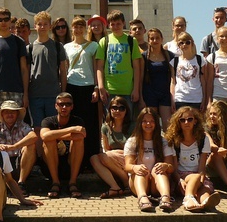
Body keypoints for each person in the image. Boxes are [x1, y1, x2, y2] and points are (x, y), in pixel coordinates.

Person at [165, 106, 220, 212]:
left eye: (190, 119)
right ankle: (188, 198)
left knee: (204, 188)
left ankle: (206, 202)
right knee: (194, 177)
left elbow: (202, 168)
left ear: (195, 121)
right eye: (183, 120)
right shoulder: (173, 141)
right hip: (181, 176)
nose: (186, 122)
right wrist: (179, 181)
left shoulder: (203, 140)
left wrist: (201, 180)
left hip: (197, 174)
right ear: (178, 123)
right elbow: (175, 169)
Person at [64, 16, 101, 168]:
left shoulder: (93, 46)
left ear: (85, 29)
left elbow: (96, 67)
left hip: (88, 86)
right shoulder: (66, 47)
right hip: (72, 85)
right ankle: (74, 160)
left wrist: (96, 88)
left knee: (90, 124)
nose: (78, 29)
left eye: (81, 26)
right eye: (75, 26)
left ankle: (90, 159)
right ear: (72, 29)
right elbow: (65, 68)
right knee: (74, 123)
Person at [124, 107, 175, 212]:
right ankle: (143, 199)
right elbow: (127, 166)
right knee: (141, 172)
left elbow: (171, 168)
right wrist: (135, 167)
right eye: (145, 121)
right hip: (139, 181)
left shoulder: (163, 141)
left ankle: (166, 198)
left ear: (156, 123)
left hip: (156, 183)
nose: (148, 124)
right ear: (140, 123)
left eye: (151, 121)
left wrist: (165, 166)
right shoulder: (132, 141)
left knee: (158, 170)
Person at [28, 11, 68, 133]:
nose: (42, 27)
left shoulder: (57, 46)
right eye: (39, 24)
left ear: (50, 26)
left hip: (53, 94)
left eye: (45, 24)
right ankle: (39, 153)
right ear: (35, 26)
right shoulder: (29, 48)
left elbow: (63, 70)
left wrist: (63, 92)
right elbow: (26, 72)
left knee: (53, 128)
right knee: (38, 128)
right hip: (35, 95)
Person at [40, 92, 85, 198]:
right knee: (49, 141)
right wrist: (71, 130)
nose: (64, 107)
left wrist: (55, 135)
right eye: (61, 104)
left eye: (68, 104)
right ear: (56, 106)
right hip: (50, 167)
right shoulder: (48, 121)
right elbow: (44, 136)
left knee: (78, 141)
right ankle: (55, 183)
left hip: (71, 166)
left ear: (72, 107)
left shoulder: (77, 120)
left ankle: (73, 183)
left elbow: (81, 135)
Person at [95, 10, 142, 113]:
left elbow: (136, 67)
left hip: (128, 90)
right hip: (109, 90)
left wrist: (136, 89)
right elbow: (99, 67)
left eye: (118, 24)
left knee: (127, 123)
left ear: (123, 23)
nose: (116, 27)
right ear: (109, 25)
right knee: (110, 122)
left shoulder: (131, 41)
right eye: (113, 24)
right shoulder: (104, 41)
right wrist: (101, 87)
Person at [0, 100, 37, 194]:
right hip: (2, 165)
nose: (10, 115)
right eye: (7, 112)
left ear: (17, 114)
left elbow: (33, 136)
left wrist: (14, 146)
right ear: (2, 114)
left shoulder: (23, 126)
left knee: (30, 146)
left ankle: (21, 183)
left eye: (12, 112)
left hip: (20, 164)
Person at [90, 96, 132, 198]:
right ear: (110, 110)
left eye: (121, 108)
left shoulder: (132, 126)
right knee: (94, 158)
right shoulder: (105, 127)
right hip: (112, 159)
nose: (118, 111)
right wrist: (114, 154)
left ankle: (126, 183)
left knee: (105, 156)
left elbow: (134, 149)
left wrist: (117, 153)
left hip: (129, 159)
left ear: (126, 110)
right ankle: (115, 187)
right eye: (114, 108)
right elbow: (106, 148)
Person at [140, 27, 174, 133]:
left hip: (165, 94)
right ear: (148, 40)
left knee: (168, 125)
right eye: (152, 38)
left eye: (157, 38)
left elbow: (173, 78)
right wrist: (141, 98)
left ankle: (168, 149)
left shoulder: (169, 55)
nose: (155, 41)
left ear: (162, 39)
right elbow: (140, 79)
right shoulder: (144, 57)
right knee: (151, 126)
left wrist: (173, 97)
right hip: (149, 94)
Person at [170, 32, 208, 112]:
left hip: (196, 98)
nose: (184, 45)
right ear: (178, 45)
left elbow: (203, 81)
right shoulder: (174, 61)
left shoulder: (200, 60)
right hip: (180, 98)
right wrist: (172, 100)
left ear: (192, 43)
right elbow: (173, 82)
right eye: (181, 43)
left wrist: (204, 99)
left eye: (187, 42)